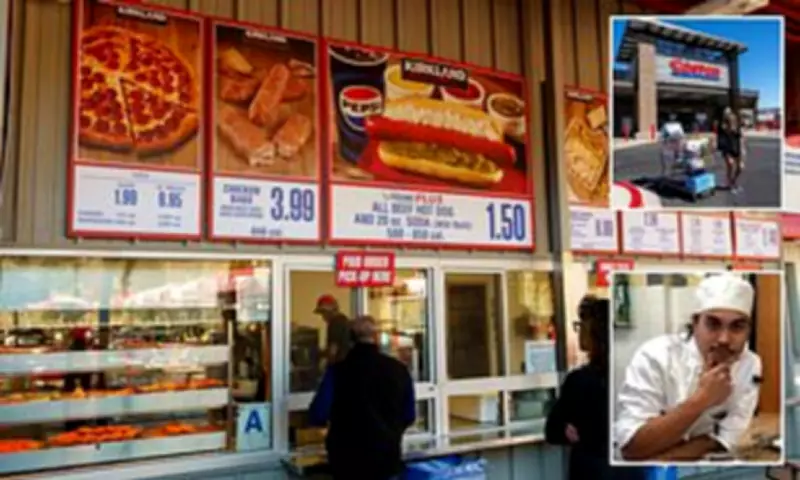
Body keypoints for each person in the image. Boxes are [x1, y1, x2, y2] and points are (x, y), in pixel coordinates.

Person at [614, 273, 762, 461]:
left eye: (737, 327)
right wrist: (703, 399)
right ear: (695, 323)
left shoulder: (750, 365)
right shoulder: (655, 356)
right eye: (713, 325)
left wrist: (663, 448)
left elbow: (726, 439)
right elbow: (632, 447)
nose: (724, 339)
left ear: (748, 330)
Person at [545, 296, 646, 480]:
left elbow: (552, 430)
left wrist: (565, 430)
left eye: (580, 325)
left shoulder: (580, 381)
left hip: (591, 470)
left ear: (595, 332)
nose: (578, 332)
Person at [309, 315, 416, 480]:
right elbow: (409, 415)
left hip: (346, 461)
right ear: (376, 337)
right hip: (386, 458)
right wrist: (390, 432)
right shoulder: (399, 370)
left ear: (350, 339)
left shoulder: (338, 371)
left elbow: (318, 413)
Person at [313, 294, 351, 365]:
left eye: (323, 312)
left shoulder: (336, 323)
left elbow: (333, 349)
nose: (323, 316)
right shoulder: (343, 320)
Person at [716, 107, 745, 193]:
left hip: (737, 148)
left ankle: (733, 182)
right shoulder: (722, 127)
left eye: (733, 119)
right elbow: (720, 139)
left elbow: (741, 139)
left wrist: (743, 149)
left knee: (740, 168)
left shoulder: (737, 129)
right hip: (727, 148)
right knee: (730, 165)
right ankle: (730, 185)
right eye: (728, 118)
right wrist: (723, 150)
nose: (731, 121)